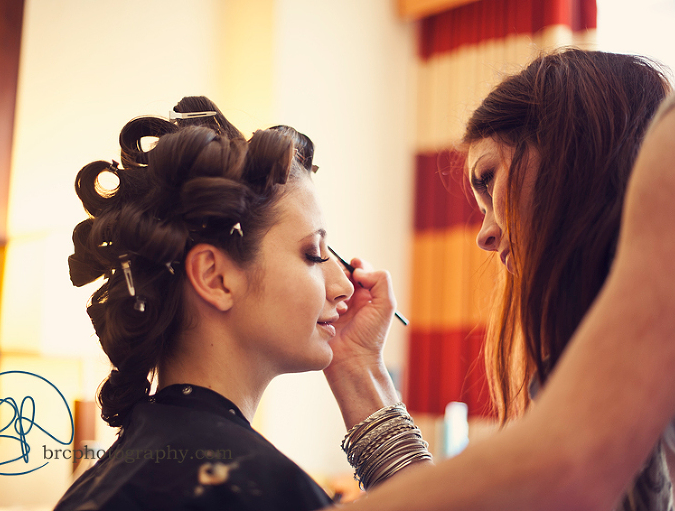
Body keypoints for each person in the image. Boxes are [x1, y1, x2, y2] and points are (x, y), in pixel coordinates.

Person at [329, 51, 675, 510]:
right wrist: (358, 362)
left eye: (488, 179)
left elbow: (563, 474)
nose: (483, 235)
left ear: (572, 153)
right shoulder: (619, 364)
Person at [54, 97, 428, 510]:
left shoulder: (103, 481)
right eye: (313, 254)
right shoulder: (263, 491)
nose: (344, 286)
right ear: (215, 277)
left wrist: (358, 360)